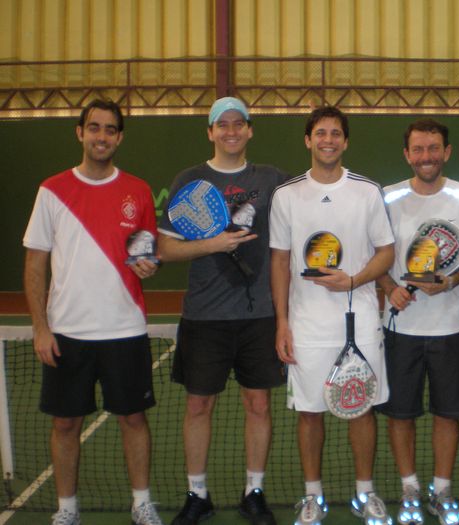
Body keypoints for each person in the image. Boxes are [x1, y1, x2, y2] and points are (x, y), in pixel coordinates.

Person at [23, 99, 163, 525]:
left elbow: (147, 253)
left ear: (119, 138)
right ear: (80, 132)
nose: (102, 136)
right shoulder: (52, 190)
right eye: (95, 127)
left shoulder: (138, 190)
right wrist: (41, 328)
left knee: (133, 419)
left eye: (110, 129)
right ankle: (67, 509)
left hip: (125, 328)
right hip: (68, 332)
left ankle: (141, 503)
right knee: (65, 425)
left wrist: (149, 265)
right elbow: (35, 263)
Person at [158, 97, 287, 525]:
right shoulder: (189, 180)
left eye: (238, 123)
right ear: (210, 132)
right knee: (198, 407)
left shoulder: (271, 179)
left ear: (249, 130)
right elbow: (165, 248)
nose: (231, 131)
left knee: (258, 405)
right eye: (222, 124)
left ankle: (254, 492)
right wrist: (212, 244)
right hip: (205, 316)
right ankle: (197, 495)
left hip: (259, 314)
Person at [269, 106, 395, 525]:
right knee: (309, 412)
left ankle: (365, 493)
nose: (328, 140)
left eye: (335, 133)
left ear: (345, 141)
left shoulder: (367, 191)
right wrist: (282, 322)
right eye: (320, 133)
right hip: (306, 326)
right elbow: (280, 261)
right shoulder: (287, 195)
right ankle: (312, 496)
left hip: (360, 321)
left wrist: (355, 280)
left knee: (362, 408)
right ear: (308, 140)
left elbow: (387, 252)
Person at [376, 118, 459, 525]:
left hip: (450, 326)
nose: (426, 156)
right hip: (400, 328)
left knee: (447, 414)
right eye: (418, 149)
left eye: (434, 148)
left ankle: (441, 492)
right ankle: (409, 491)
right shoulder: (388, 197)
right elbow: (377, 253)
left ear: (446, 152)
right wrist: (389, 286)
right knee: (400, 415)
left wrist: (451, 281)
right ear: (407, 155)